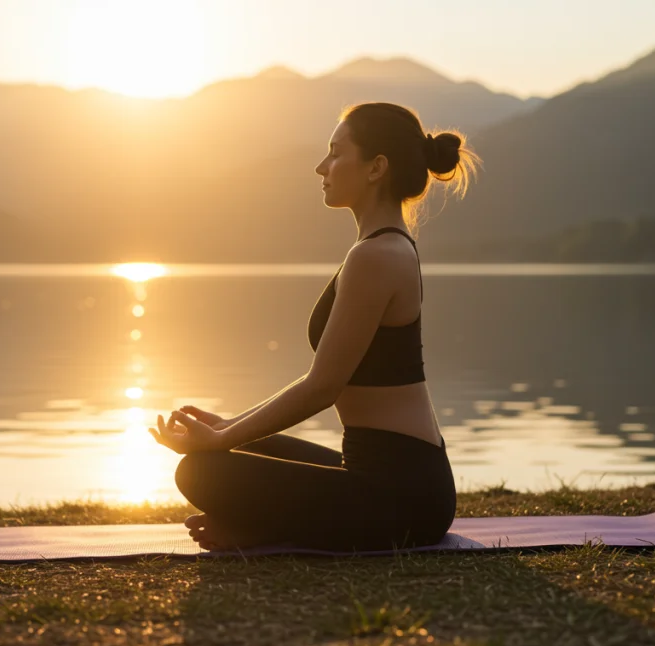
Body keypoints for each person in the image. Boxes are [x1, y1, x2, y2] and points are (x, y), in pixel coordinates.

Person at [149, 102, 482, 552]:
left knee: (200, 470)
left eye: (335, 153)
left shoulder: (376, 257)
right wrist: (228, 425)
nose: (321, 166)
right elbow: (323, 379)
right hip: (380, 474)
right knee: (227, 455)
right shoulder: (378, 249)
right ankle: (263, 529)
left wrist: (222, 436)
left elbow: (321, 387)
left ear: (375, 168)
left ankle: (262, 531)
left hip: (406, 497)